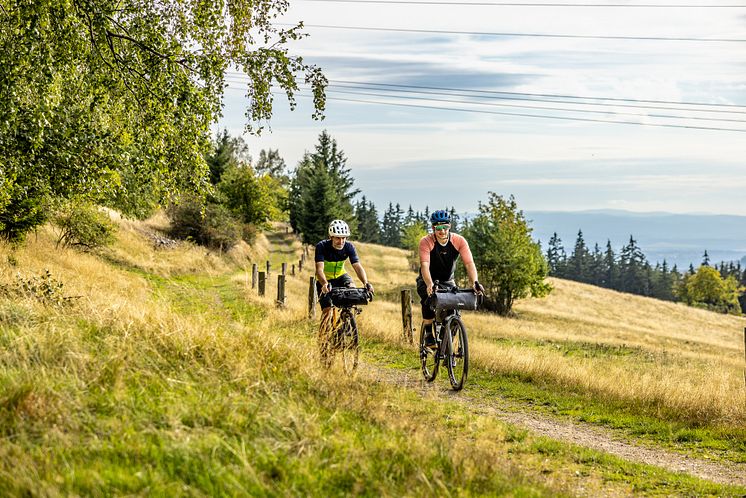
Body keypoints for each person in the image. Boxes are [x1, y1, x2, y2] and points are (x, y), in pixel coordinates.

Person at [417, 210, 483, 348]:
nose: (442, 231)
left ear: (449, 226)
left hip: (448, 280)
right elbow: (424, 265)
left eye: (445, 227)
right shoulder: (426, 241)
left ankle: (447, 342)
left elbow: (469, 264)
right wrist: (429, 284)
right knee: (428, 298)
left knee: (455, 306)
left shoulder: (459, 241)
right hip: (428, 278)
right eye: (438, 228)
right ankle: (428, 333)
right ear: (433, 228)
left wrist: (475, 282)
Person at [315, 219, 374, 311]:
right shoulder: (322, 246)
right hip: (325, 280)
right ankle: (325, 325)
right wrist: (325, 284)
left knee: (353, 294)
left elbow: (357, 266)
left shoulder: (349, 247)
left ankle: (347, 319)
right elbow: (319, 270)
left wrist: (366, 283)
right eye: (338, 238)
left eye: (344, 238)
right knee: (327, 310)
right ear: (331, 237)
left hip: (341, 276)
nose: (341, 241)